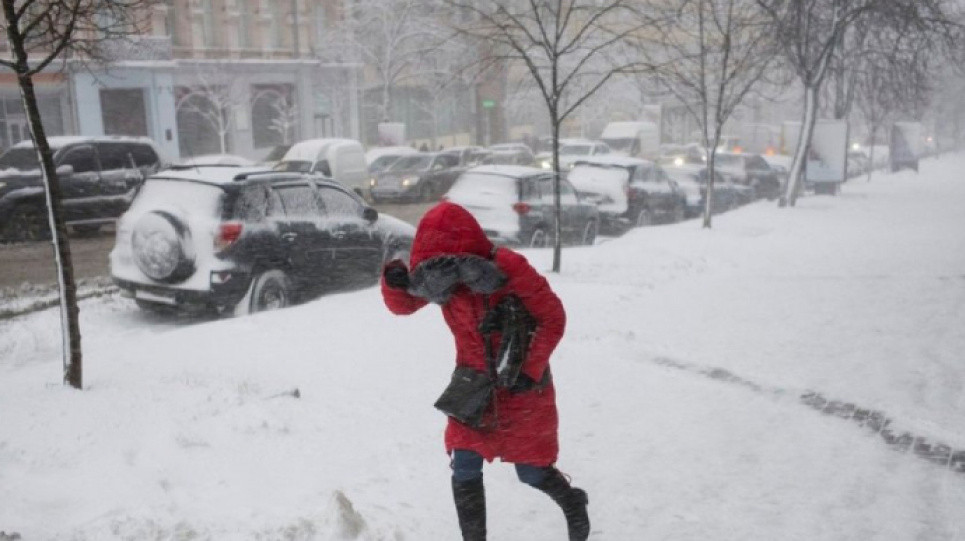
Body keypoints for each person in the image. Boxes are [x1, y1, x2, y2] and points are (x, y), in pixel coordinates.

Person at [380, 202, 590, 541]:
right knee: (464, 462)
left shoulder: (508, 268)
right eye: (435, 267)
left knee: (532, 471)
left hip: (522, 385)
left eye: (450, 265)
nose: (444, 276)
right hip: (472, 384)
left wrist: (531, 368)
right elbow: (403, 305)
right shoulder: (439, 281)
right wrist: (395, 281)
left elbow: (553, 317)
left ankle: (572, 502)